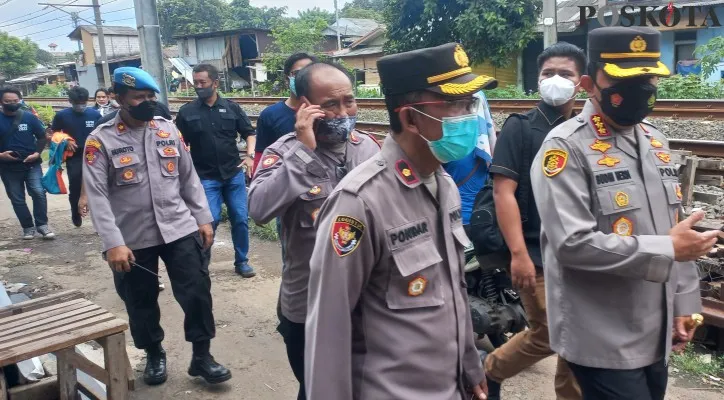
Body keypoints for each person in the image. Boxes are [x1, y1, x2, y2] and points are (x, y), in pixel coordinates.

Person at [531, 27, 716, 400]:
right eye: (622, 78)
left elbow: (675, 229)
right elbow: (571, 244)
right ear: (588, 83)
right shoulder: (566, 148)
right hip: (603, 336)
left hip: (655, 328)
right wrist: (667, 247)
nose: (640, 88)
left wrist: (685, 307)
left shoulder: (654, 140)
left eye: (647, 78)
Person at [305, 43, 497, 400]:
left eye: (471, 103)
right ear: (410, 118)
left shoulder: (444, 185)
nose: (469, 115)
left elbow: (454, 293)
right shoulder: (359, 203)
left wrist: (470, 365)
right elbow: (329, 327)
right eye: (455, 104)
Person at [82, 67, 231, 386]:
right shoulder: (100, 140)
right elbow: (97, 196)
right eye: (139, 97)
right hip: (131, 238)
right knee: (140, 299)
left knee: (197, 293)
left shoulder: (167, 129)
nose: (147, 103)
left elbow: (188, 178)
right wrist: (112, 242)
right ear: (120, 99)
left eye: (151, 96)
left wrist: (202, 218)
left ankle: (202, 356)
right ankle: (154, 353)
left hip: (179, 228)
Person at [249, 61, 379, 400]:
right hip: (309, 304)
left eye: (348, 101)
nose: (343, 112)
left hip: (367, 301)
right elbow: (259, 210)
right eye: (331, 105)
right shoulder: (284, 152)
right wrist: (304, 152)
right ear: (305, 106)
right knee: (317, 390)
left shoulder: (369, 148)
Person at [483, 42, 586, 400]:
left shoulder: (588, 129)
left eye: (565, 74)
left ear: (581, 82)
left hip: (581, 252)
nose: (555, 80)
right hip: (535, 254)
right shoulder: (521, 128)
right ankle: (487, 372)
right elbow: (503, 193)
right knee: (551, 334)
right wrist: (519, 254)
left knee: (577, 335)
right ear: (537, 80)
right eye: (548, 73)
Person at [176, 63, 257, 278]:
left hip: (233, 175)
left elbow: (249, 133)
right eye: (196, 83)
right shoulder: (187, 112)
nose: (199, 87)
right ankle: (203, 262)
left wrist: (250, 156)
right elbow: (178, 145)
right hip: (205, 177)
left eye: (203, 82)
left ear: (215, 83)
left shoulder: (232, 108)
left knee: (240, 218)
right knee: (208, 220)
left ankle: (242, 261)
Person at [0, 87, 54, 239]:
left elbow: (42, 137)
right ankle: (28, 227)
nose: (12, 103)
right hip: (7, 167)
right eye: (8, 101)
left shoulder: (29, 117)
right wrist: (1, 155)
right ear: (1, 102)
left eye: (15, 101)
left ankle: (42, 225)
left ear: (20, 100)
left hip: (31, 163)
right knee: (17, 198)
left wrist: (37, 152)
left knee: (38, 192)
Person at [442, 90, 497, 235]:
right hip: (480, 217)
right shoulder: (484, 145)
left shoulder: (448, 144)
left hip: (455, 220)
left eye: (469, 105)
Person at [254, 53, 318, 170]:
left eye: (308, 73)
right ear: (287, 79)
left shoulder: (324, 111)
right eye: (297, 74)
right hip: (286, 179)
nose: (303, 78)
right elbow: (261, 155)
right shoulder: (269, 115)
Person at [50, 86, 101, 227]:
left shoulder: (95, 114)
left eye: (83, 103)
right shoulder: (62, 116)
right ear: (70, 101)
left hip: (94, 154)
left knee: (97, 185)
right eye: (77, 103)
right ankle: (75, 212)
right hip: (75, 156)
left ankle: (98, 217)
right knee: (75, 185)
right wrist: (65, 141)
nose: (80, 106)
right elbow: (54, 134)